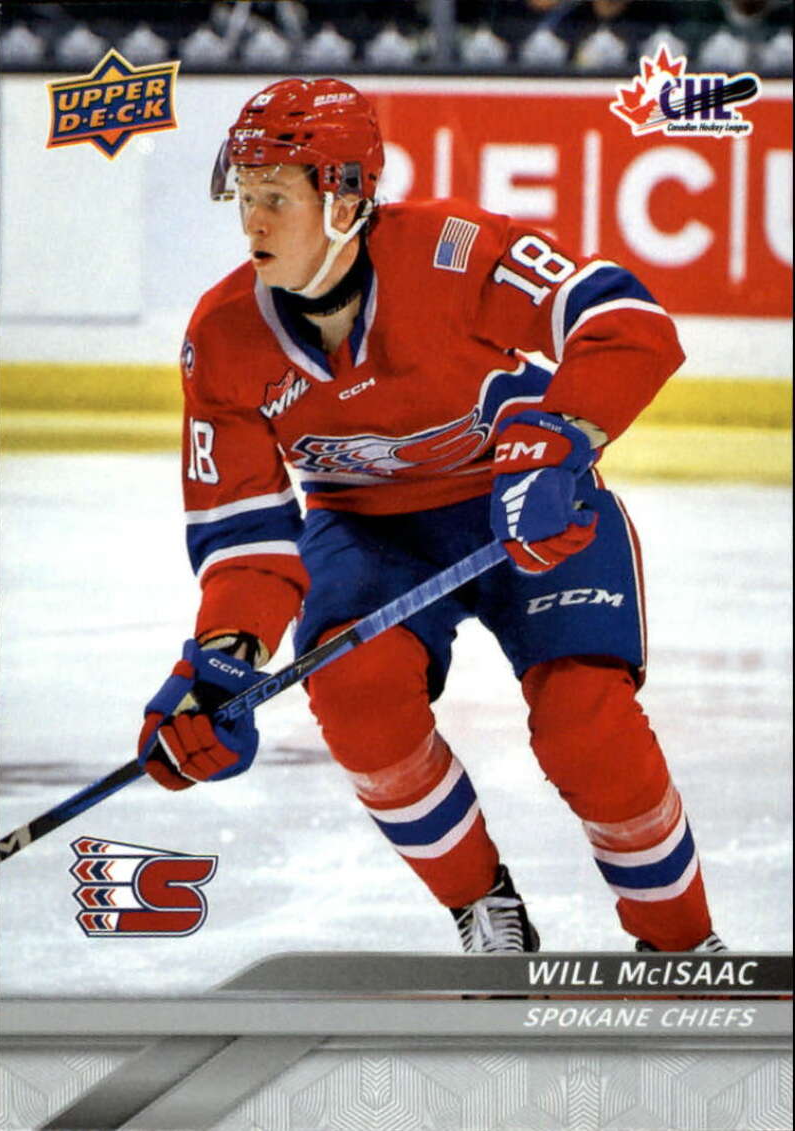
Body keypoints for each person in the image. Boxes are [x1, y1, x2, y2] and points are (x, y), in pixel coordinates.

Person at [137, 76, 725, 955]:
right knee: (357, 697)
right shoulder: (221, 337)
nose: (252, 222)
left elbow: (625, 318)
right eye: (245, 196)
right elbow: (246, 532)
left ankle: (681, 945)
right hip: (369, 532)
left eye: (275, 198)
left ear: (344, 196)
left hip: (524, 504)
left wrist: (562, 435)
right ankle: (483, 907)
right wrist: (224, 660)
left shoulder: (455, 252)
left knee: (588, 728)